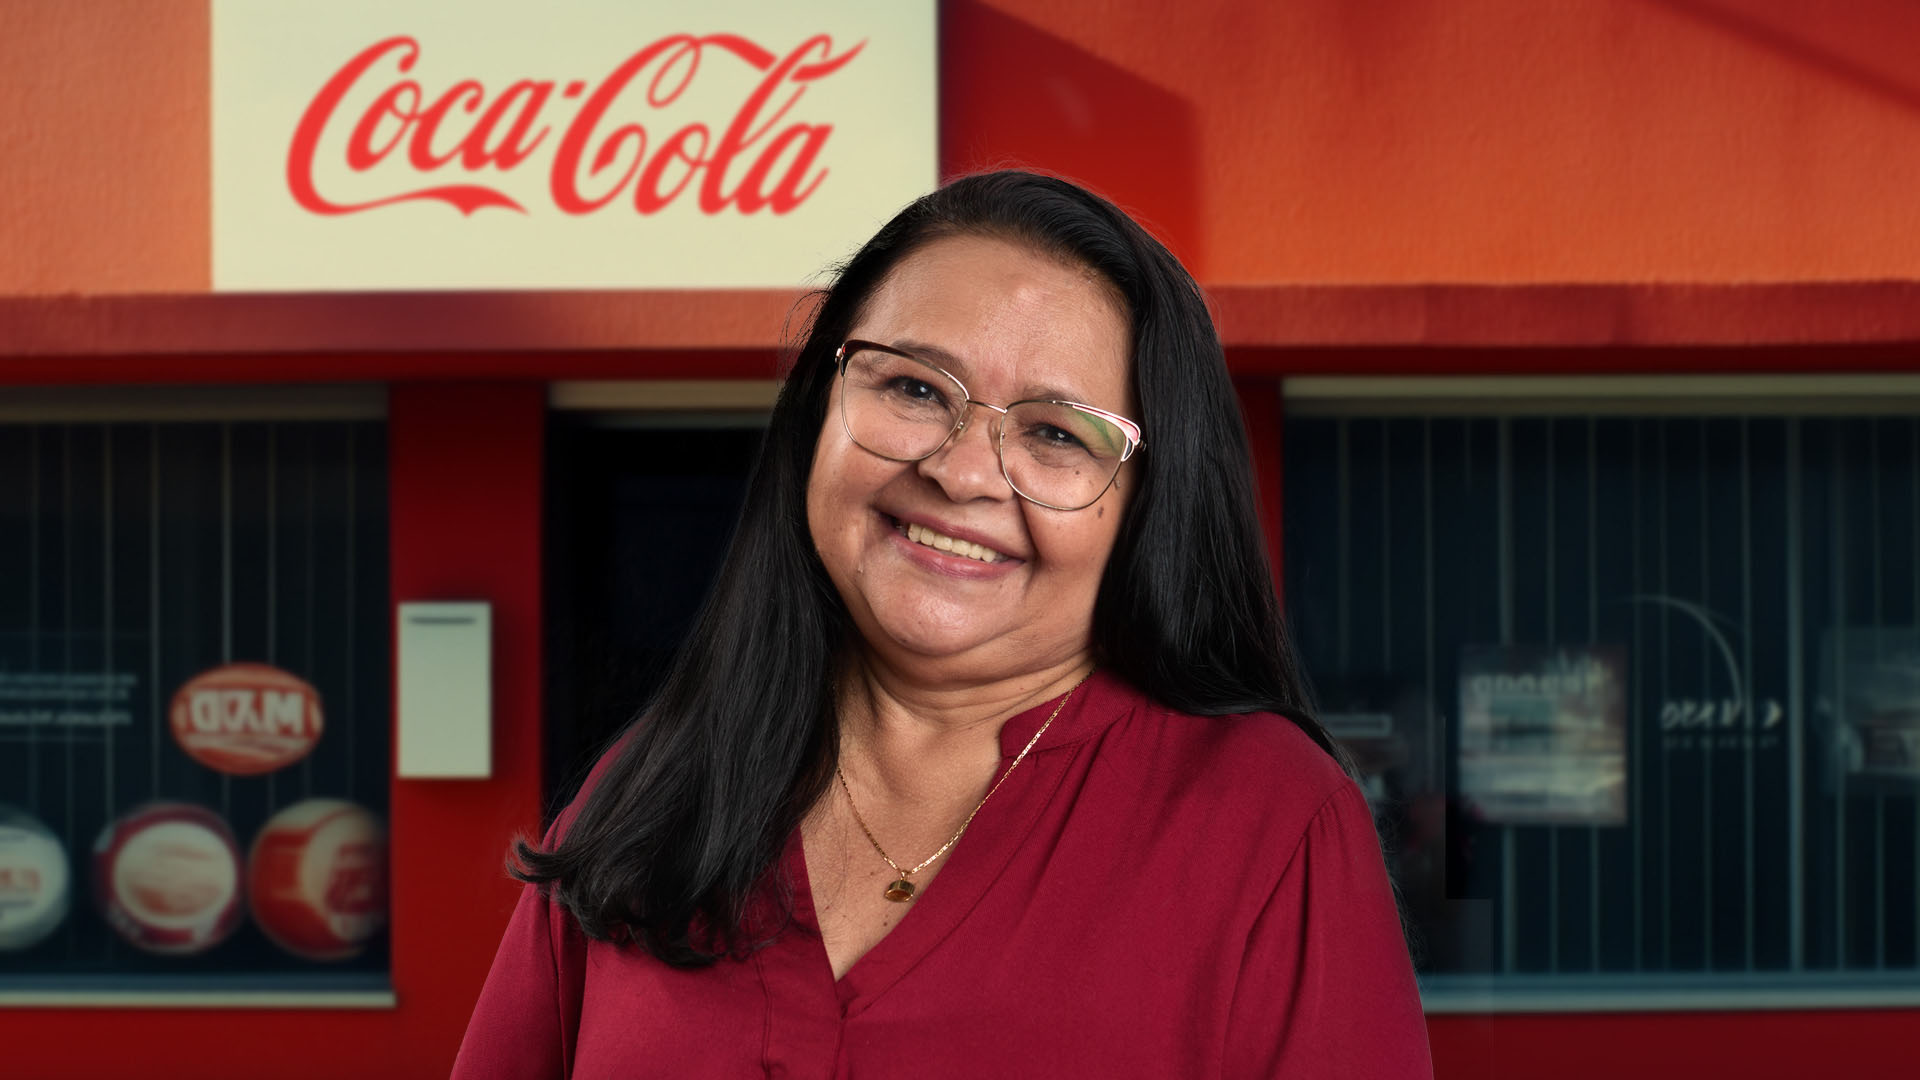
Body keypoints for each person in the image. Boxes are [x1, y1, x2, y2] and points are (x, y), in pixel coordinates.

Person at [451, 171, 1432, 1078]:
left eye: (1056, 433)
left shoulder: (1270, 823)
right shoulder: (651, 794)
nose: (961, 473)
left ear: (1149, 504)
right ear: (817, 413)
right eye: (915, 388)